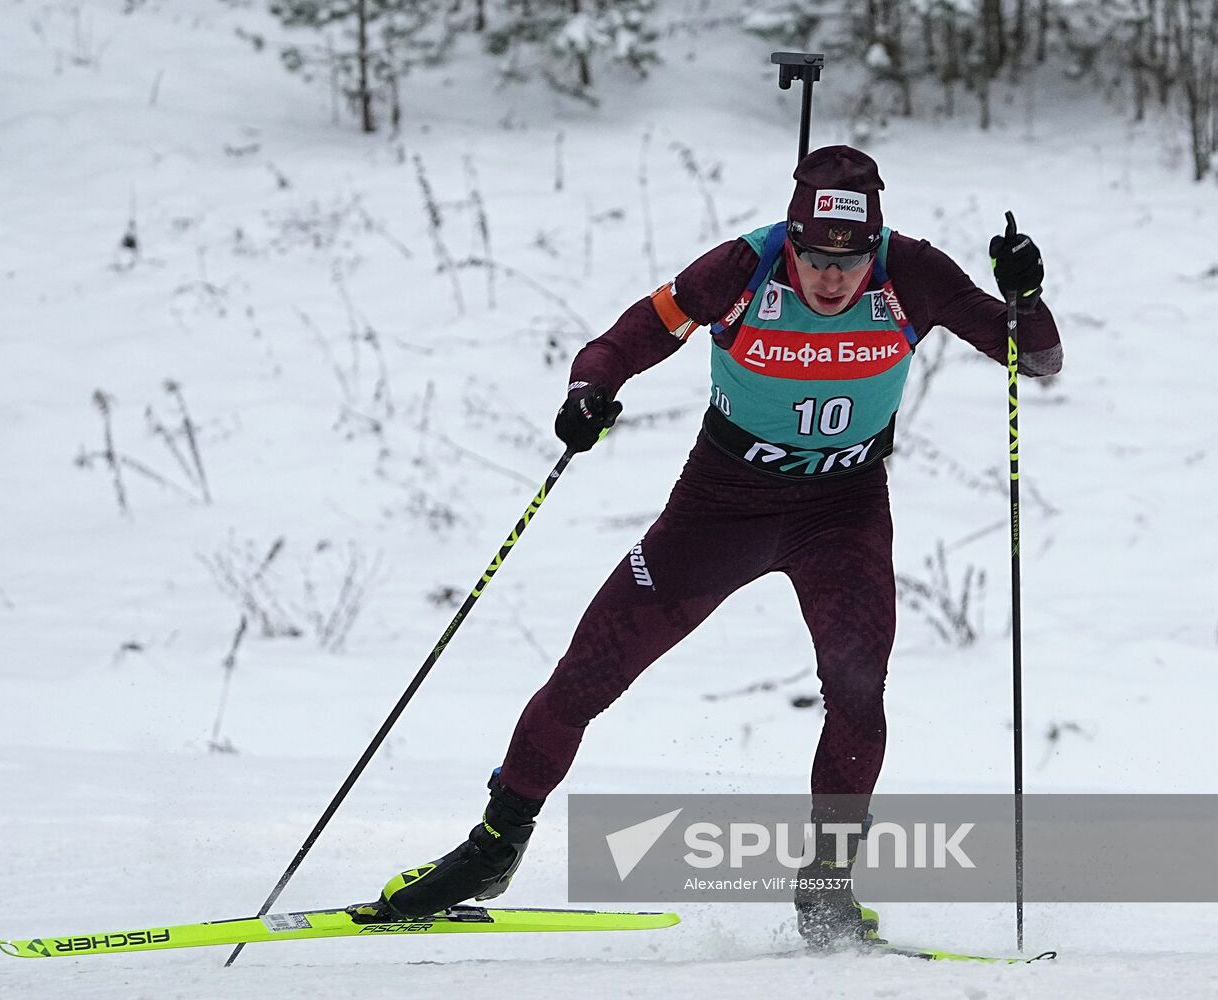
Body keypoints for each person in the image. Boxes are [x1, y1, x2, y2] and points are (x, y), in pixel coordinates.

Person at [369, 145, 1062, 947]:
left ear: (873, 245)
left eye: (849, 261)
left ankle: (825, 890)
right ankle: (492, 849)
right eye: (813, 258)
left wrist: (1027, 295)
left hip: (842, 511)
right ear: (791, 241)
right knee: (587, 675)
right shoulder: (739, 268)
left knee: (858, 696)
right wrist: (588, 392)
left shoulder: (912, 273)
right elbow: (624, 339)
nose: (830, 279)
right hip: (719, 506)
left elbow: (1035, 358)